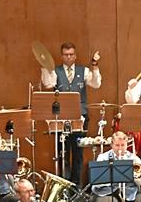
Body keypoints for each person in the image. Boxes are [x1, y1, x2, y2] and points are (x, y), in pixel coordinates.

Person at [40, 41, 101, 183]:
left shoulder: (83, 71)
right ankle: (64, 184)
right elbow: (48, 84)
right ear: (62, 56)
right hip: (61, 118)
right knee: (63, 152)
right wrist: (45, 67)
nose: (69, 57)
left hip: (81, 116)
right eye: (66, 55)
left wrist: (95, 67)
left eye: (71, 54)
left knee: (78, 153)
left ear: (75, 56)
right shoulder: (56, 71)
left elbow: (96, 84)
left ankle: (76, 185)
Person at [91, 131, 141, 202]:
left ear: (127, 145)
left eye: (123, 145)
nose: (120, 149)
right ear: (112, 145)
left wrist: (133, 176)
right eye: (117, 145)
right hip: (108, 193)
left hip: (129, 194)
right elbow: (96, 183)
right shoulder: (103, 157)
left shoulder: (134, 158)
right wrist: (113, 177)